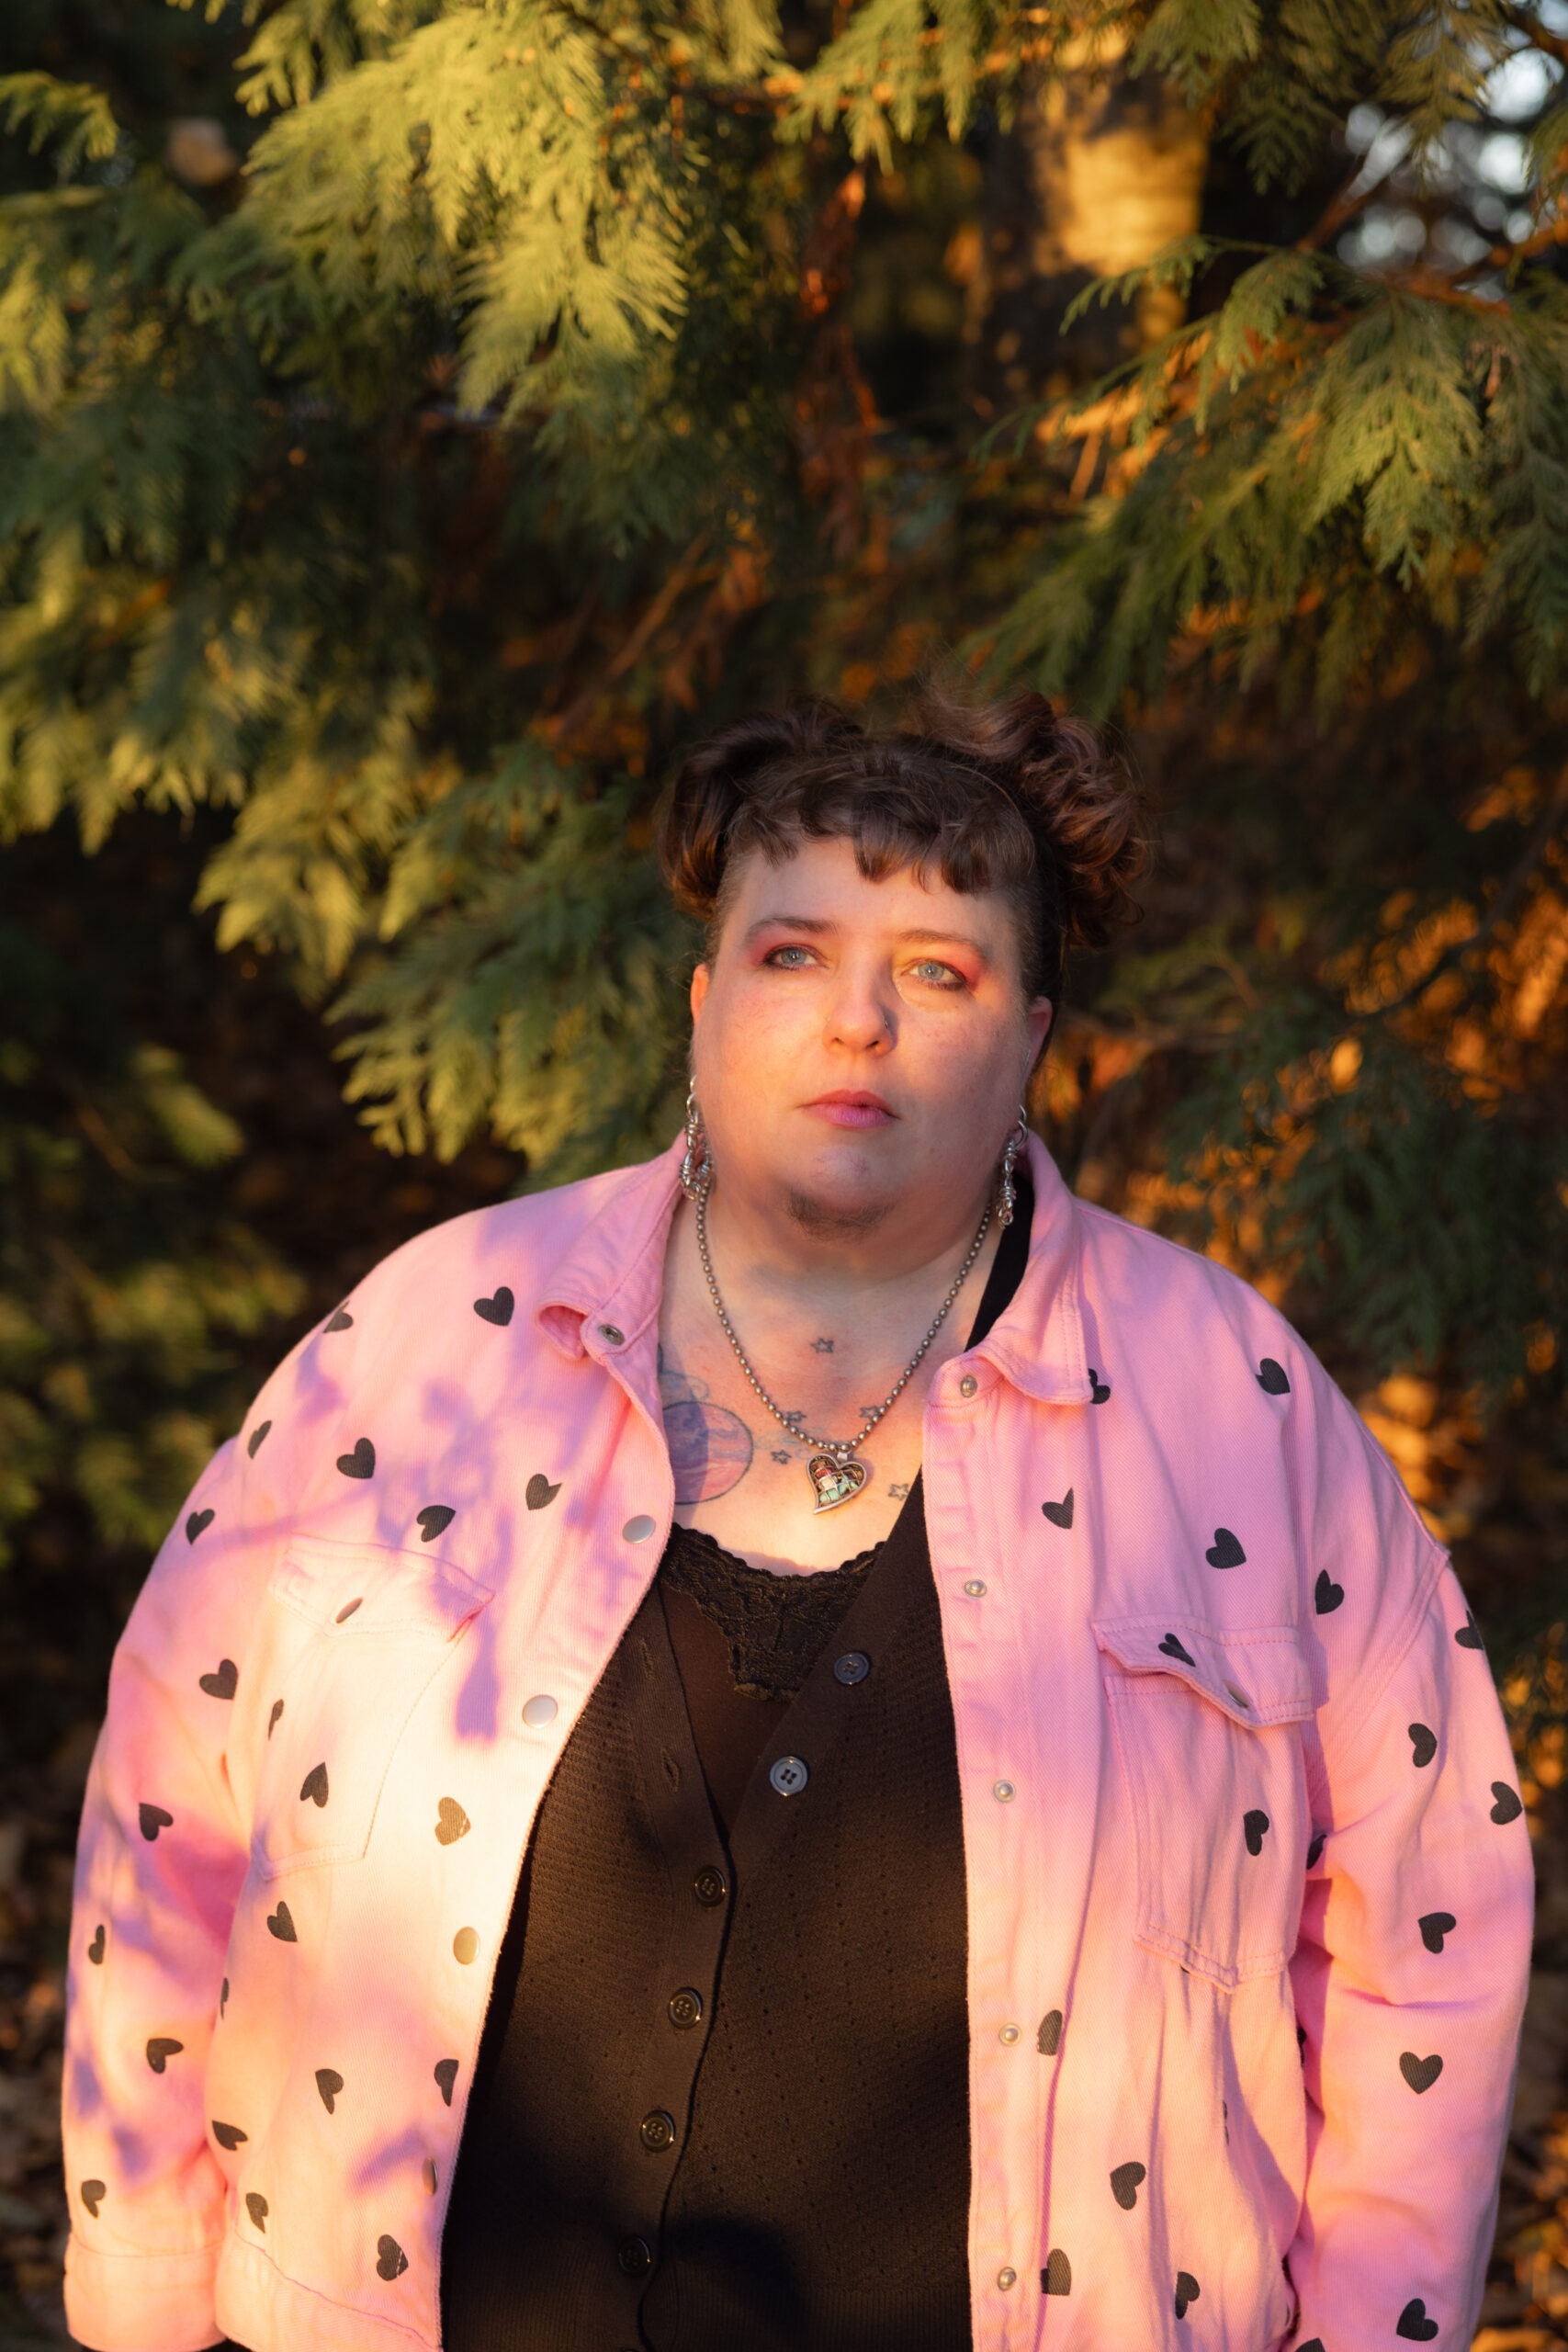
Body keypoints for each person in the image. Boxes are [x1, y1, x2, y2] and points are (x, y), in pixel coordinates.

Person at [62, 688, 1531, 2352]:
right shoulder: (432, 1334)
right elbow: (168, 1803)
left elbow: (1433, 1918)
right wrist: (146, 2301)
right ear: (700, 1003)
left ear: (1034, 1037)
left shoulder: (1235, 1406)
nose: (859, 1023)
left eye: (939, 971)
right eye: (793, 956)